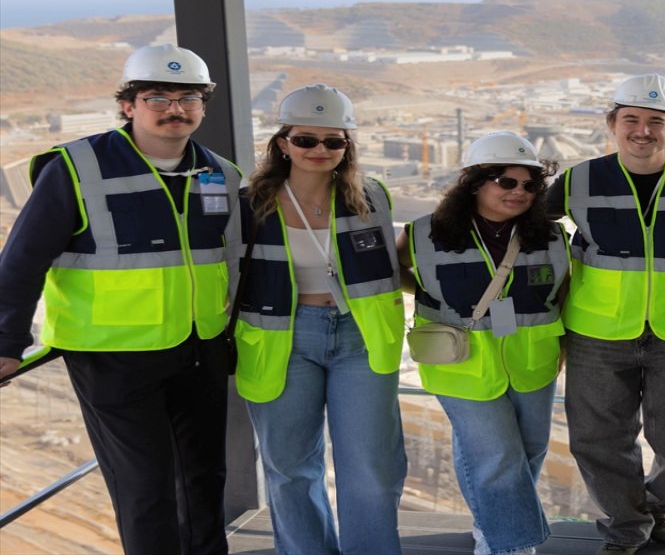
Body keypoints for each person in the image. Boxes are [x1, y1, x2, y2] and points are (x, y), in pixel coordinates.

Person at [0, 44, 240, 555]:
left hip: (198, 349)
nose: (175, 109)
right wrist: (6, 340)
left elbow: (232, 262)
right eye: (157, 97)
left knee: (203, 479)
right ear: (128, 105)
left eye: (189, 97)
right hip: (112, 357)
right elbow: (22, 260)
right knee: (145, 489)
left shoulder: (221, 173)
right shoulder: (76, 167)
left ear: (202, 105)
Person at [548, 74, 665, 554]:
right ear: (612, 124)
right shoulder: (578, 179)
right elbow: (526, 235)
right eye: (631, 119)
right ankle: (625, 523)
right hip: (596, 330)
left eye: (655, 121)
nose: (642, 131)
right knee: (598, 436)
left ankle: (657, 502)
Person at [234, 84, 406, 555]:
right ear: (283, 142)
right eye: (306, 139)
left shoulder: (371, 196)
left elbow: (394, 266)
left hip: (360, 337)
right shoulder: (247, 204)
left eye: (334, 141)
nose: (320, 150)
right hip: (281, 340)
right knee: (290, 465)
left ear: (347, 146)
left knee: (372, 466)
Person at [397, 131, 568, 555]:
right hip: (461, 362)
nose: (520, 192)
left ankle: (489, 525)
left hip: (532, 359)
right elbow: (394, 270)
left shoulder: (552, 236)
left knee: (528, 452)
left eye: (529, 185)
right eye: (506, 182)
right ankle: (507, 546)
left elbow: (564, 293)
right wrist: (426, 295)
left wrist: (564, 349)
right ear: (476, 182)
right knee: (496, 456)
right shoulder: (425, 233)